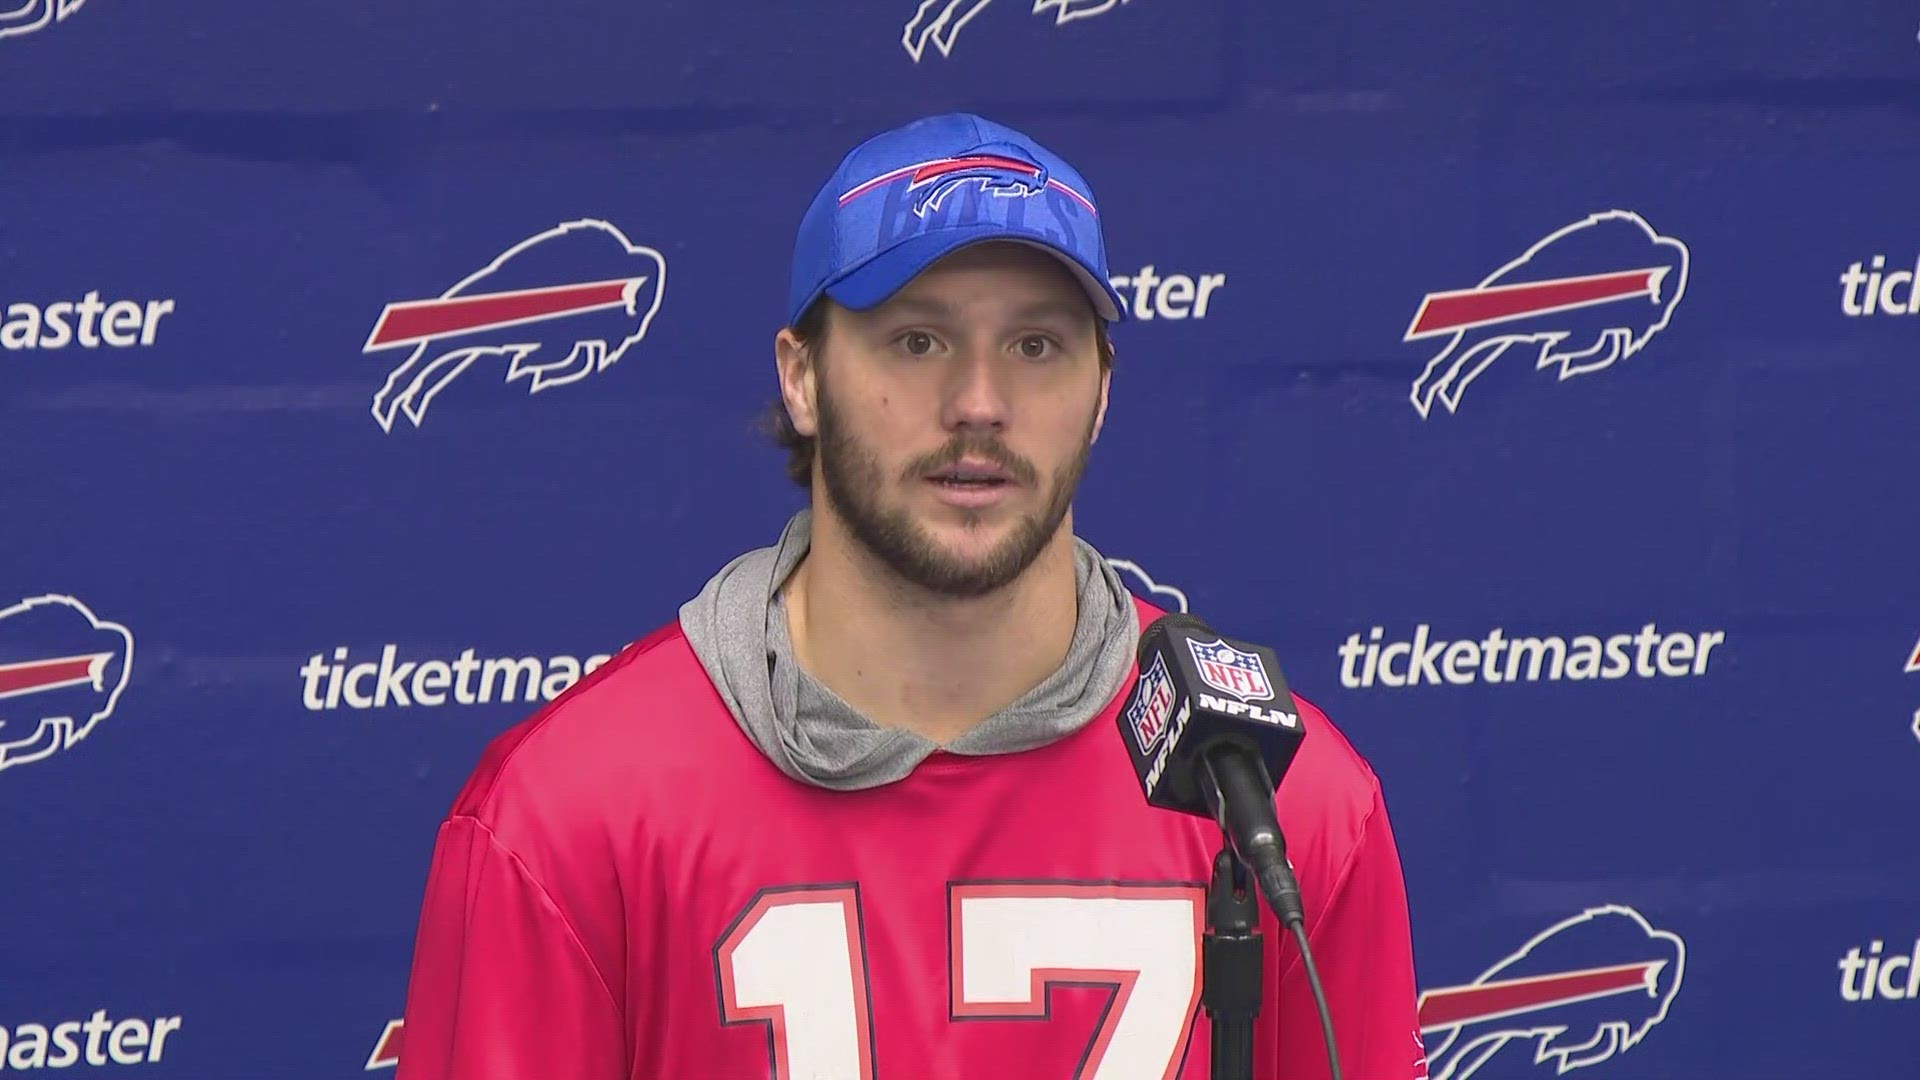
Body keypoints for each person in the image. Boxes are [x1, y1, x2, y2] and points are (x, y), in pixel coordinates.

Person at [392, 112, 1424, 1080]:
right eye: (916, 340)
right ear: (802, 379)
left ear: (1103, 391)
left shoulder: (1276, 805)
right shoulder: (571, 816)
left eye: (1037, 346)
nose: (979, 404)